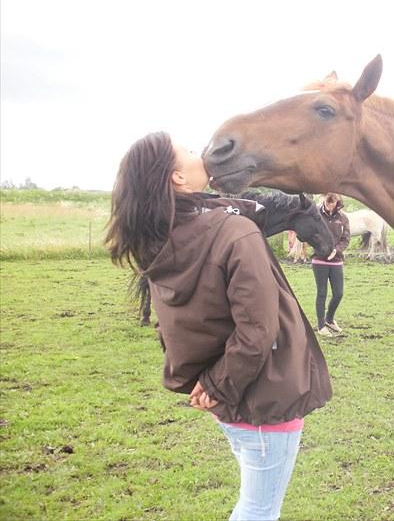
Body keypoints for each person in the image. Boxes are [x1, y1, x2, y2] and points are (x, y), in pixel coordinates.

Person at [105, 132, 332, 521]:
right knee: (259, 510)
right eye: (190, 152)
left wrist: (211, 384)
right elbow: (258, 330)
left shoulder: (161, 243)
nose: (202, 155)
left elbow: (176, 327)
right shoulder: (234, 232)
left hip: (227, 403)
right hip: (265, 399)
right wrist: (217, 385)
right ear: (177, 178)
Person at [312, 192, 350, 336]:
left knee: (338, 293)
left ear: (337, 202)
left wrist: (336, 250)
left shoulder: (343, 218)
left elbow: (346, 239)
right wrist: (321, 247)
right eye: (327, 203)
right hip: (319, 260)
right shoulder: (316, 215)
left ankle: (329, 319)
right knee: (322, 293)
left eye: (332, 203)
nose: (329, 206)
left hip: (336, 261)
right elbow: (312, 233)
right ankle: (321, 325)